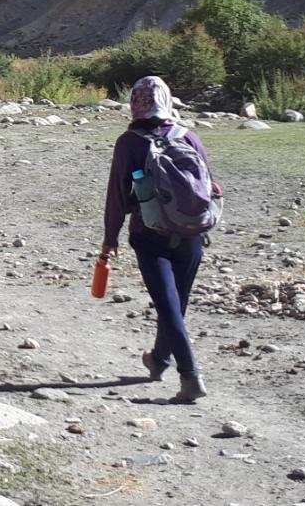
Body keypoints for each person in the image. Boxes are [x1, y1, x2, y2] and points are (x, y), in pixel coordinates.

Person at [99, 75, 217, 402]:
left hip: (150, 234)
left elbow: (117, 196)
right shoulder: (188, 136)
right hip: (192, 234)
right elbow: (212, 188)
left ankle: (190, 376)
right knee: (174, 305)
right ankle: (159, 360)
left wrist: (111, 238)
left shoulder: (129, 142)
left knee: (168, 306)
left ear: (135, 102)